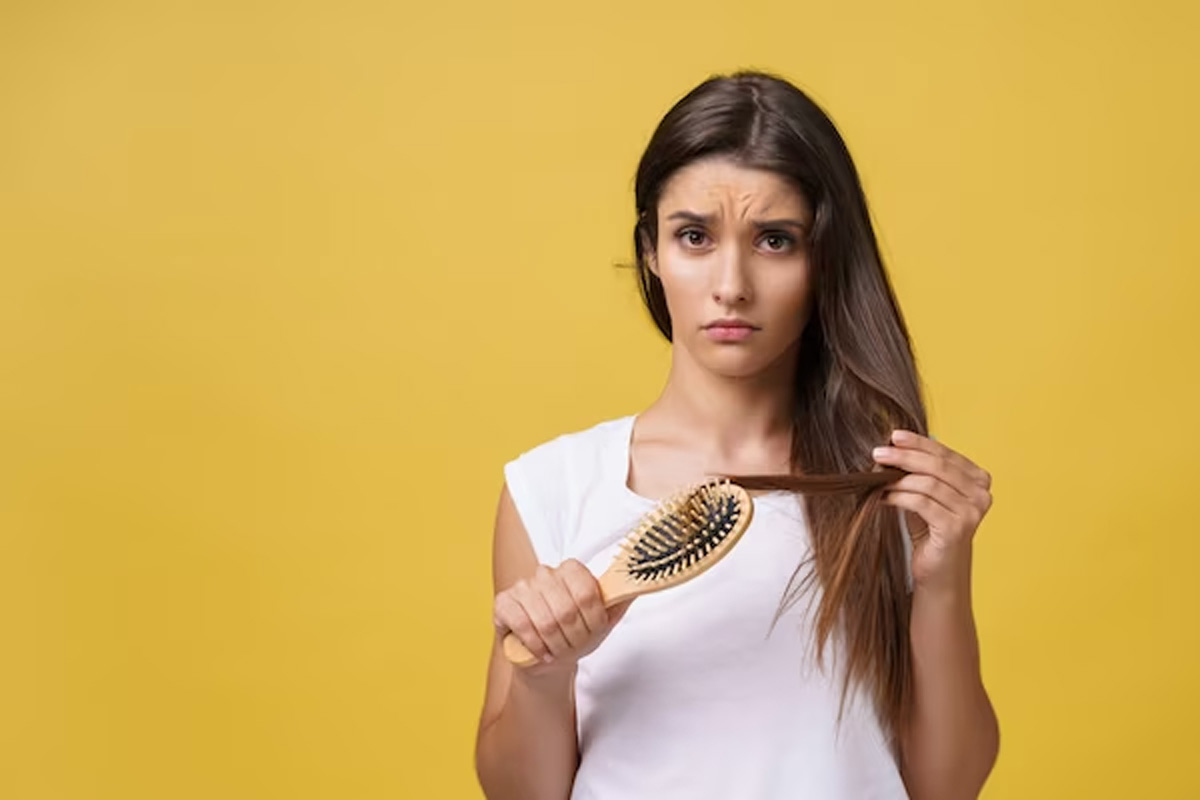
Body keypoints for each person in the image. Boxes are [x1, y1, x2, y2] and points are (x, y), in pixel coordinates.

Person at [473, 69, 999, 800]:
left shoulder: (889, 491)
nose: (732, 284)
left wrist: (942, 582)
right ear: (651, 252)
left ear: (823, 261)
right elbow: (519, 794)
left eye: (775, 241)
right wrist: (548, 671)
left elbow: (949, 787)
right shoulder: (553, 488)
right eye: (694, 236)